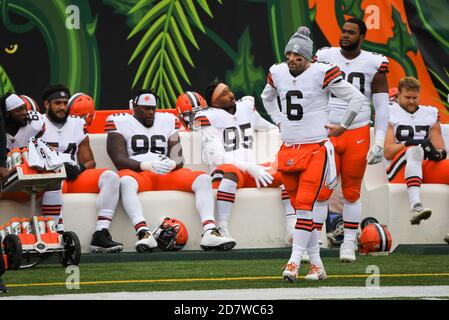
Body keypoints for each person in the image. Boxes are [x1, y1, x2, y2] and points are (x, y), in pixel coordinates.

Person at [261, 26, 364, 282]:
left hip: (317, 148)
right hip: (289, 149)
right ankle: (317, 266)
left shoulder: (322, 71)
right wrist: (278, 121)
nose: (293, 62)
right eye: (289, 57)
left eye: (299, 58)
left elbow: (357, 98)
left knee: (306, 206)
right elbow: (267, 98)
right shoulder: (277, 72)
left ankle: (293, 262)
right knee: (300, 210)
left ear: (310, 59)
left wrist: (344, 125)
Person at [106, 89, 236, 252]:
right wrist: (145, 165)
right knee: (125, 181)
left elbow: (178, 158)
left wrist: (172, 164)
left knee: (203, 179)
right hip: (139, 173)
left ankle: (210, 231)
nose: (151, 112)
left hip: (166, 173)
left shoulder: (167, 120)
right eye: (145, 108)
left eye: (153, 108)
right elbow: (119, 160)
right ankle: (143, 232)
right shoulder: (119, 121)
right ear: (134, 107)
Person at [311, 18, 390, 263]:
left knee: (352, 192)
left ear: (362, 37)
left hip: (356, 132)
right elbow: (312, 92)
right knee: (321, 190)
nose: (345, 35)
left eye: (351, 32)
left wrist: (379, 140)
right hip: (327, 130)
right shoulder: (325, 56)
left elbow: (382, 106)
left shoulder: (374, 63)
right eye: (343, 31)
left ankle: (348, 243)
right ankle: (316, 243)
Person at [193, 84, 297, 246]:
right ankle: (221, 228)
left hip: (251, 170)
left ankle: (292, 228)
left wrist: (284, 133)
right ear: (214, 103)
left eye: (229, 90)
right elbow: (216, 157)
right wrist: (249, 167)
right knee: (230, 172)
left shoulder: (245, 107)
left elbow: (265, 126)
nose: (231, 95)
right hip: (226, 172)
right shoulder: (205, 117)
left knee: (287, 171)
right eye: (224, 94)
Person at [40, 85, 123, 253]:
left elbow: (90, 161)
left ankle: (101, 233)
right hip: (50, 175)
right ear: (47, 105)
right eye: (57, 103)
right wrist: (52, 169)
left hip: (74, 176)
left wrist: (79, 167)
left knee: (111, 177)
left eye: (65, 103)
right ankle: (56, 234)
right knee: (55, 183)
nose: (62, 107)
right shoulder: (37, 124)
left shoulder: (77, 124)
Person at [384, 77, 449, 239]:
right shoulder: (389, 112)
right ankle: (416, 207)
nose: (412, 101)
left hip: (424, 166)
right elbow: (388, 151)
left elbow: (441, 148)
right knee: (414, 150)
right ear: (398, 95)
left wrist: (437, 154)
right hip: (398, 169)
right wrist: (408, 143)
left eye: (415, 97)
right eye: (407, 97)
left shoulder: (429, 113)